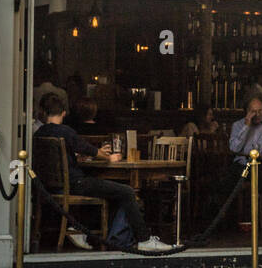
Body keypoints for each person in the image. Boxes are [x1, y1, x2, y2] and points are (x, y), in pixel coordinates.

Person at [34, 94, 171, 251]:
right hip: (75, 183)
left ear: (44, 112)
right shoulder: (66, 132)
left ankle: (110, 237)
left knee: (115, 194)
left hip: (52, 187)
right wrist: (108, 157)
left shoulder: (40, 133)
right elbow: (90, 150)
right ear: (64, 113)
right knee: (126, 191)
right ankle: (144, 240)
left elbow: (69, 155)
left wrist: (81, 156)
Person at [229, 93, 262, 164]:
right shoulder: (237, 125)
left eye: (260, 111)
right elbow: (235, 148)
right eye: (254, 112)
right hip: (242, 164)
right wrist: (246, 126)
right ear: (248, 111)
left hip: (261, 163)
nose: (258, 115)